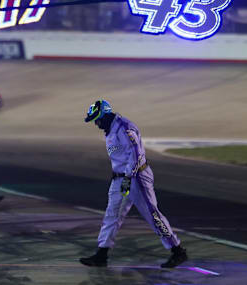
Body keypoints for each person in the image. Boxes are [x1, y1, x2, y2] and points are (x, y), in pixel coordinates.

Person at [79, 99, 188, 269]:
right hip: (120, 179)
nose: (96, 123)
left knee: (152, 215)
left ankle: (178, 250)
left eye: (97, 119)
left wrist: (128, 178)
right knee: (112, 215)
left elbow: (136, 155)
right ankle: (101, 254)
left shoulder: (124, 127)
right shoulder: (109, 129)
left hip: (137, 178)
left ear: (106, 115)